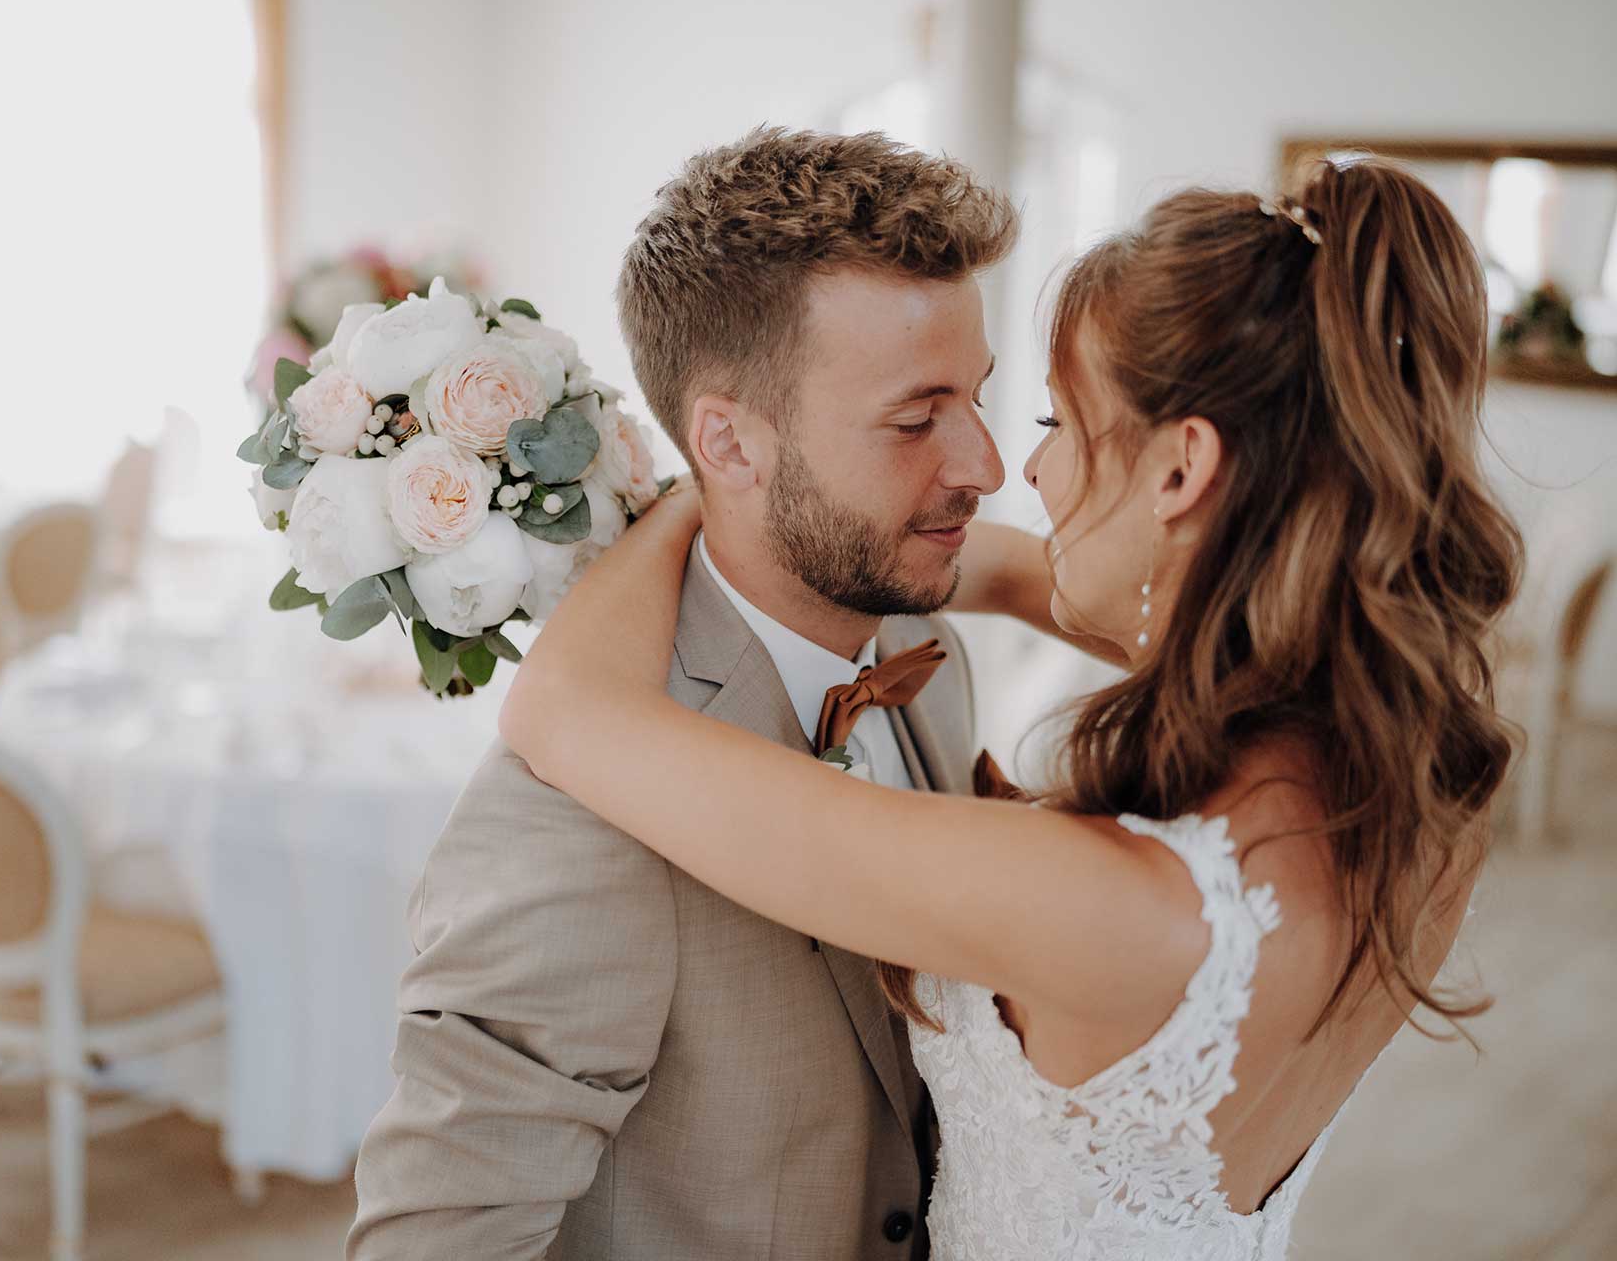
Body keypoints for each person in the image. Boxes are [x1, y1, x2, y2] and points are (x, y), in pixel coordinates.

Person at [498, 157, 1523, 1258]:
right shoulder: (1419, 765)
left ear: (1182, 472)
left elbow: (564, 709)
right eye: (932, 415)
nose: (1012, 468)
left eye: (1057, 420)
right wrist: (784, 481)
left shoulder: (1105, 901)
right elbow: (1012, 573)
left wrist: (696, 494)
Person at [349, 127, 1031, 1260]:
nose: (983, 463)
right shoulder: (582, 801)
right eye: (916, 418)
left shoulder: (927, 647)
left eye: (976, 396)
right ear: (726, 439)